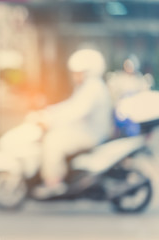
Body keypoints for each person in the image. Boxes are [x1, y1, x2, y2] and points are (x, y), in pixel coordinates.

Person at [28, 48, 113, 198]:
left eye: (78, 72)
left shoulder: (92, 88)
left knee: (52, 141)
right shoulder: (88, 86)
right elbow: (70, 106)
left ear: (89, 71)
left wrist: (51, 120)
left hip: (90, 134)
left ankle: (53, 183)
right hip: (86, 130)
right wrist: (48, 111)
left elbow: (76, 112)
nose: (75, 76)